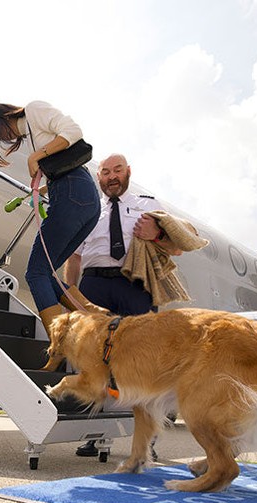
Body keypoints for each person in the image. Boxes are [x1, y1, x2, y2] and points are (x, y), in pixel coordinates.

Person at [64, 154, 182, 457]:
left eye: (117, 170)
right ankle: (93, 434)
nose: (111, 176)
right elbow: (74, 256)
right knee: (93, 361)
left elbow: (177, 247)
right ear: (99, 177)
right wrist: (72, 296)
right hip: (93, 285)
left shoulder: (148, 203)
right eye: (105, 172)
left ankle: (145, 441)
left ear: (128, 172)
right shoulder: (88, 208)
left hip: (135, 286)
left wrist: (155, 234)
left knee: (143, 363)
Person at [0, 102, 103, 369]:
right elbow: (63, 166)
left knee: (35, 272)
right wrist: (43, 189)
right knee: (46, 273)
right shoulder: (33, 132)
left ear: (2, 119)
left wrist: (35, 157)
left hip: (74, 193)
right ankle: (95, 316)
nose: (1, 139)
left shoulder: (34, 110)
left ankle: (58, 346)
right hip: (82, 198)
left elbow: (73, 130)